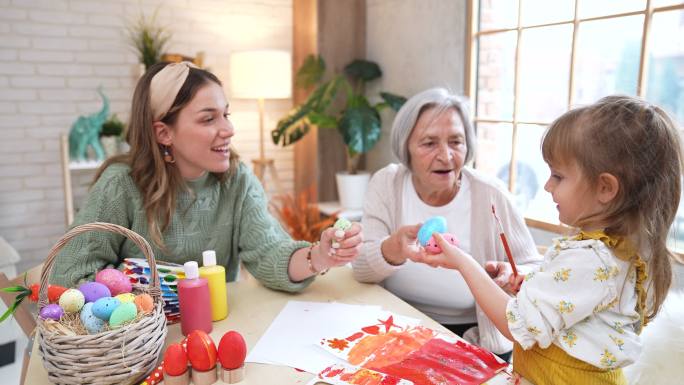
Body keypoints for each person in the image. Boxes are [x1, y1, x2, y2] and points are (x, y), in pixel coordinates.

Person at [425, 95, 682, 385]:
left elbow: (514, 324)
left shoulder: (591, 258)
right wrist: (532, 282)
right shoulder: (607, 250)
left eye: (558, 176)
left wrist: (463, 262)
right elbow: (579, 307)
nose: (547, 186)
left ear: (605, 188)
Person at [52, 62, 362, 291]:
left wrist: (319, 256)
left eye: (225, 114)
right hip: (138, 346)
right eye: (208, 118)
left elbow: (269, 252)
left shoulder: (237, 180)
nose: (228, 130)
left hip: (215, 335)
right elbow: (69, 275)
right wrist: (139, 294)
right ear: (164, 132)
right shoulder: (120, 185)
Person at [352, 87, 542, 360]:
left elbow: (534, 270)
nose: (446, 155)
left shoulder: (490, 194)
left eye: (456, 141)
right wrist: (393, 248)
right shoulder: (387, 183)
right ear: (406, 148)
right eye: (429, 143)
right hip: (397, 328)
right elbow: (360, 270)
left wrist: (513, 276)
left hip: (472, 341)